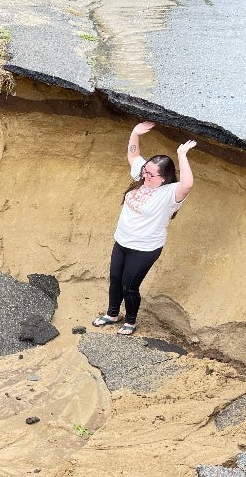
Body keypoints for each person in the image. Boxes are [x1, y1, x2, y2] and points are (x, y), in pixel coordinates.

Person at [92, 122, 196, 336]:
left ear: (164, 178)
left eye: (151, 175)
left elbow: (187, 184)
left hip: (145, 248)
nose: (145, 177)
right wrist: (135, 134)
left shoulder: (169, 194)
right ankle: (112, 314)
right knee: (115, 279)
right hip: (122, 241)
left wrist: (182, 154)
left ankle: (130, 321)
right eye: (145, 172)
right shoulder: (142, 176)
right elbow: (133, 156)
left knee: (130, 285)